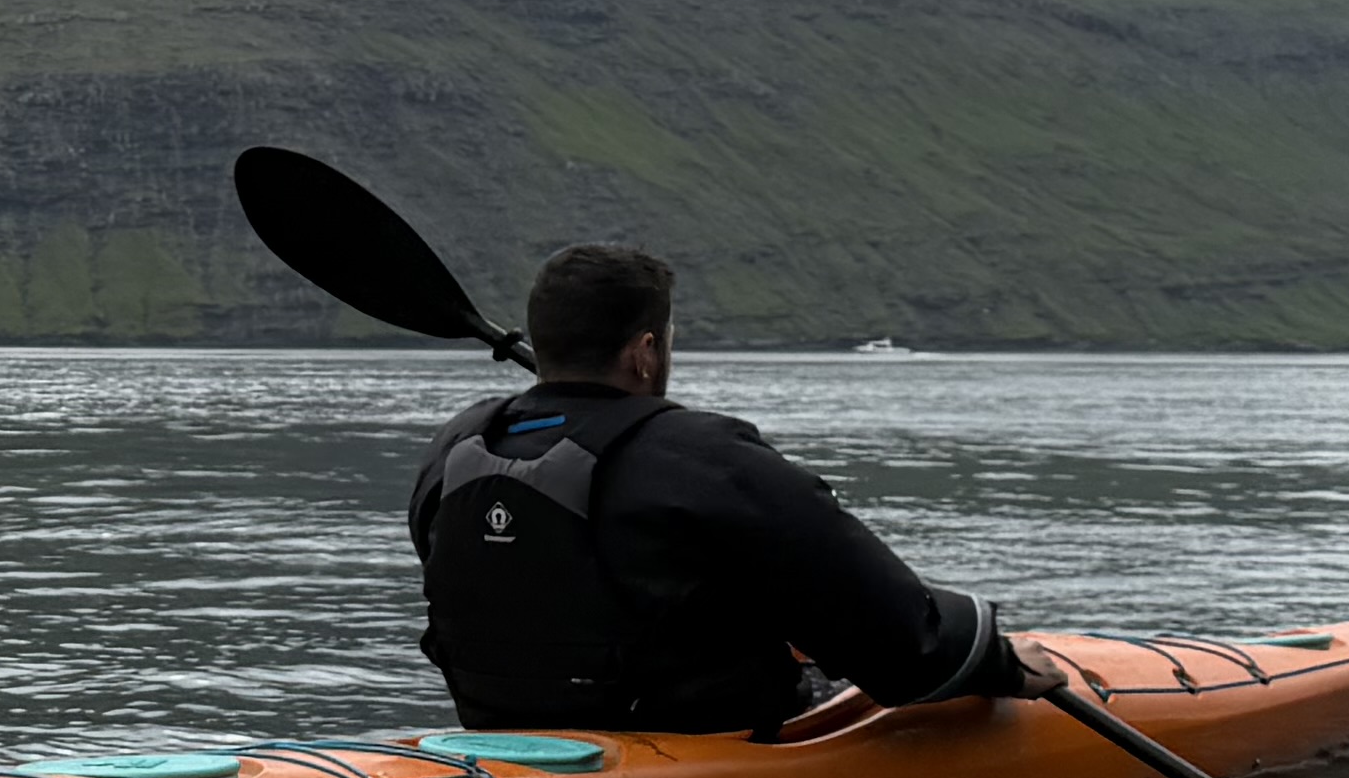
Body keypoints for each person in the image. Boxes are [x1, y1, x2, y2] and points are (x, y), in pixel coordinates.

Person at [408, 242, 1058, 734]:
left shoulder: (460, 444)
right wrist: (991, 658)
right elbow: (899, 645)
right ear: (644, 351)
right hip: (688, 734)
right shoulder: (705, 456)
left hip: (501, 725)